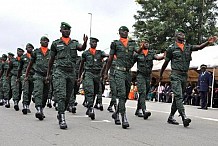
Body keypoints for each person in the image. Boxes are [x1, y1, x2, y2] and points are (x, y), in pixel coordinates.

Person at [160, 28, 217, 127]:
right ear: (176, 36)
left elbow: (199, 47)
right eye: (180, 33)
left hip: (184, 75)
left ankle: (171, 116)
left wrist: (208, 42)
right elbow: (165, 62)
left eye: (183, 33)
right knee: (178, 96)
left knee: (178, 97)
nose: (183, 35)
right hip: (175, 75)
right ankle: (184, 117)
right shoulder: (171, 48)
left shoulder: (188, 47)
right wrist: (161, 75)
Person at [46, 22, 88, 129]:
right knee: (61, 95)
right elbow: (51, 60)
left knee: (68, 96)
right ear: (61, 31)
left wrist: (85, 43)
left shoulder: (74, 43)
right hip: (59, 71)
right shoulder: (56, 44)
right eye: (64, 30)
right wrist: (48, 74)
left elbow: (81, 48)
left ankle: (61, 112)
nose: (67, 31)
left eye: (68, 30)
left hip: (71, 72)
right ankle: (62, 117)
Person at [103, 26, 143, 129]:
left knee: (125, 95)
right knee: (121, 94)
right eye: (123, 31)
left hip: (128, 72)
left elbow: (137, 51)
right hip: (119, 71)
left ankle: (116, 112)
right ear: (119, 32)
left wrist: (142, 47)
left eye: (126, 31)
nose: (125, 32)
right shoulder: (115, 44)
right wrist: (106, 72)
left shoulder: (131, 43)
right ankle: (123, 117)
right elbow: (110, 58)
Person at [133, 37, 164, 119]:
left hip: (148, 76)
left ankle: (138, 109)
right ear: (141, 44)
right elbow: (131, 62)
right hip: (140, 75)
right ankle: (144, 110)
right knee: (142, 92)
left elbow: (157, 58)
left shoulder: (151, 53)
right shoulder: (138, 53)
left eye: (147, 43)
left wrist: (164, 55)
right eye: (145, 42)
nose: (146, 44)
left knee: (146, 92)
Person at [78, 37, 108, 120]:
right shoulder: (85, 53)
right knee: (90, 90)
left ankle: (89, 107)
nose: (94, 44)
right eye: (93, 42)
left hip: (97, 74)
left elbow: (106, 55)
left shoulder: (100, 53)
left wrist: (112, 54)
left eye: (96, 42)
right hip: (88, 73)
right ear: (90, 43)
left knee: (95, 91)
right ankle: (91, 107)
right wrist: (79, 76)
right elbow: (81, 66)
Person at [25, 36, 50, 121]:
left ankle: (42, 108)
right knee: (38, 92)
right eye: (43, 40)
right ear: (40, 42)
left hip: (47, 76)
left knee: (45, 94)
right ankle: (38, 109)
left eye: (47, 41)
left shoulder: (51, 52)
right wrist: (26, 75)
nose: (45, 42)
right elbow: (30, 64)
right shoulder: (36, 52)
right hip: (38, 75)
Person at [17, 43, 34, 114]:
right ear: (26, 49)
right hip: (25, 75)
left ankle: (28, 104)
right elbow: (19, 68)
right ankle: (25, 105)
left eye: (31, 47)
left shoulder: (35, 56)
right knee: (26, 91)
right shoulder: (23, 57)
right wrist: (18, 77)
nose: (29, 49)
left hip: (33, 76)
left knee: (30, 92)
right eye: (28, 47)